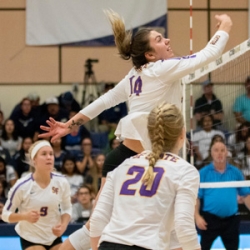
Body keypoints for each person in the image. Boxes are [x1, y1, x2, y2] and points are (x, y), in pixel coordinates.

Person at [39, 10, 232, 250]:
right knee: (156, 225)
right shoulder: (161, 69)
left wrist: (69, 125)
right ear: (150, 54)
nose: (168, 40)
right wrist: (225, 25)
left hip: (124, 159)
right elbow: (209, 54)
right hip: (142, 162)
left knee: (103, 224)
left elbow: (104, 101)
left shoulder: (135, 75)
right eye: (160, 39)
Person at [90, 103, 200, 250]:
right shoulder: (185, 171)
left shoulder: (123, 166)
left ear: (149, 134)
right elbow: (184, 227)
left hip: (108, 245)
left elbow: (98, 219)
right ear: (182, 133)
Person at [2, 140, 72, 250]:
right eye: (44, 154)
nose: (49, 157)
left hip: (53, 236)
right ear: (34, 159)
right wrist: (24, 216)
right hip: (30, 238)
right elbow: (5, 215)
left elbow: (67, 208)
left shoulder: (61, 182)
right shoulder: (22, 185)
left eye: (51, 154)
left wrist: (63, 225)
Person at [195, 140, 250, 250]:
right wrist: (197, 216)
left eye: (222, 150)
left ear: (226, 153)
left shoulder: (236, 172)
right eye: (216, 150)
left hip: (231, 220)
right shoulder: (203, 173)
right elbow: (197, 197)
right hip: (209, 220)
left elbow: (246, 195)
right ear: (211, 153)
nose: (219, 153)